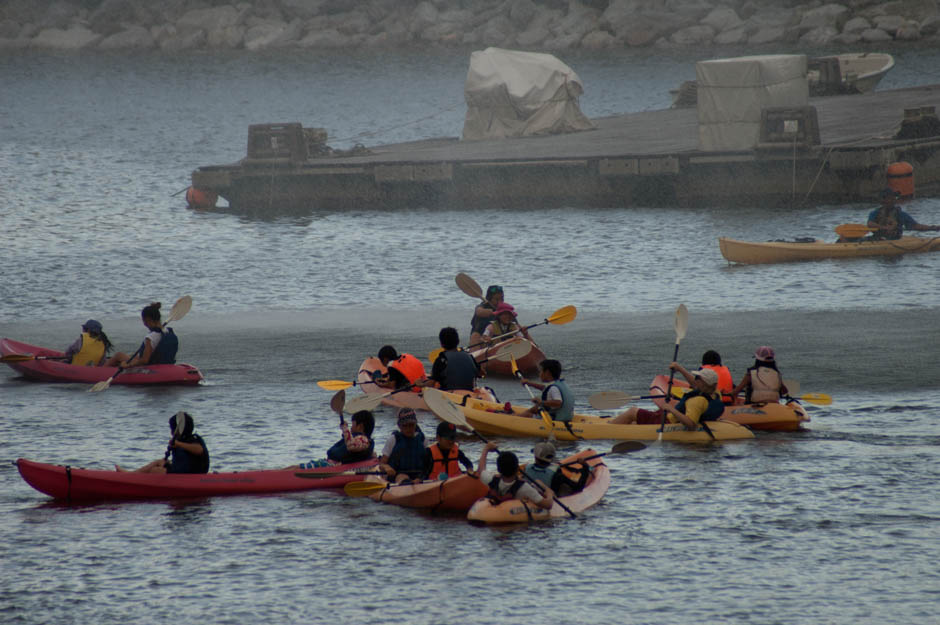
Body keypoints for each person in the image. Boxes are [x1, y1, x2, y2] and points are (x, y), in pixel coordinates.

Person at [609, 366, 725, 430]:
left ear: (703, 382)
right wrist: (679, 368)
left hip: (667, 420)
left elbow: (691, 424)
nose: (695, 380)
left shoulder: (697, 401)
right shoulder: (715, 393)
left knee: (632, 411)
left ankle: (608, 428)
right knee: (639, 419)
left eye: (697, 378)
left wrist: (671, 409)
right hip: (667, 416)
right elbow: (695, 384)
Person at [116, 411, 209, 474]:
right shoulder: (181, 440)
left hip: (192, 473)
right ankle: (131, 474)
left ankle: (136, 479)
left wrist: (178, 444)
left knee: (155, 471)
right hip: (181, 470)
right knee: (159, 462)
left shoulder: (193, 440)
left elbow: (199, 450)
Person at [287, 410, 376, 469]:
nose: (351, 428)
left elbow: (351, 446)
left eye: (353, 425)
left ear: (360, 426)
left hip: (332, 466)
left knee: (295, 468)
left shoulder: (363, 439)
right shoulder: (360, 440)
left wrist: (345, 429)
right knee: (294, 467)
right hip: (329, 464)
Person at [476, 442, 554, 509]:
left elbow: (481, 470)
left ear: (499, 469)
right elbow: (548, 505)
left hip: (495, 512)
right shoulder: (525, 488)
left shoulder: (491, 480)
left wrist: (486, 449)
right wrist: (549, 492)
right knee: (538, 484)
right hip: (513, 516)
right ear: (517, 469)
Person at [104, 302, 179, 367]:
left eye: (144, 321)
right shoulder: (166, 331)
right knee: (132, 356)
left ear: (148, 320)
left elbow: (144, 361)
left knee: (118, 355)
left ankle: (101, 370)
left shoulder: (151, 337)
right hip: (161, 362)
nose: (144, 324)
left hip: (149, 365)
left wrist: (129, 365)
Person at [866, 188, 940, 240]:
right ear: (883, 200)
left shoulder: (900, 214)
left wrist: (933, 228)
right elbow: (870, 224)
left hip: (894, 239)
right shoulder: (875, 213)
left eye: (893, 198)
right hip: (877, 239)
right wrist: (884, 228)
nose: (893, 200)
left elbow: (915, 226)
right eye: (889, 198)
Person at [378, 408, 428, 483]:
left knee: (421, 477)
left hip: (418, 475)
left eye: (411, 425)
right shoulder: (393, 439)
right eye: (405, 425)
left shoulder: (423, 439)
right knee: (402, 477)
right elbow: (382, 463)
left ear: (416, 424)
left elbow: (428, 462)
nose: (408, 428)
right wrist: (386, 467)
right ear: (399, 426)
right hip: (397, 475)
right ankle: (407, 484)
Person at [522, 442, 590, 497]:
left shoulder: (527, 468)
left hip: (529, 497)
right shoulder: (557, 474)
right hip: (549, 500)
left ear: (535, 456)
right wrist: (585, 467)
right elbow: (578, 488)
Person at [520, 359, 574, 423]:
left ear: (547, 373)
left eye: (540, 371)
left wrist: (541, 402)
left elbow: (558, 403)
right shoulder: (559, 383)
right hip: (564, 417)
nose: (539, 374)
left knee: (528, 414)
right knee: (535, 408)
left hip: (555, 419)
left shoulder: (554, 388)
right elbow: (545, 388)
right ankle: (516, 416)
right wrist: (529, 383)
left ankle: (514, 419)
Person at [428, 327, 480, 391]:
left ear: (441, 344)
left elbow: (431, 384)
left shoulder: (441, 359)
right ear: (458, 341)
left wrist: (420, 384)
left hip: (450, 395)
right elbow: (480, 374)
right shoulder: (469, 356)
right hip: (470, 393)